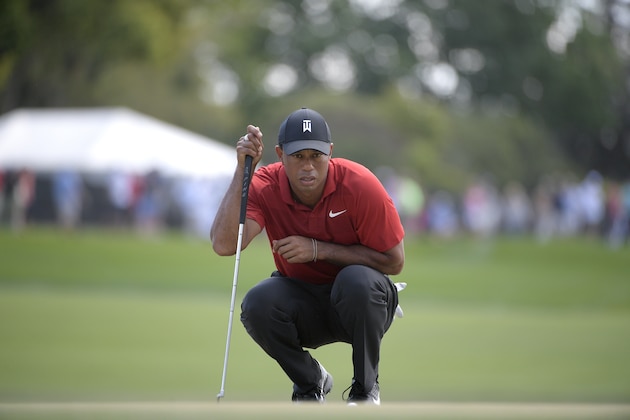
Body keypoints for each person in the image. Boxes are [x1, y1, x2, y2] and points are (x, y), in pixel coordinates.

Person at [210, 108, 405, 405]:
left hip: (362, 303)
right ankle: (310, 383)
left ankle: (365, 390)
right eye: (298, 156)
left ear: (330, 152)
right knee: (257, 303)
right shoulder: (265, 184)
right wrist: (242, 170)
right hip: (304, 302)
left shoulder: (359, 184)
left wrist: (318, 249)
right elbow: (224, 245)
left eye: (316, 156)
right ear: (279, 154)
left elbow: (394, 262)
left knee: (356, 281)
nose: (308, 167)